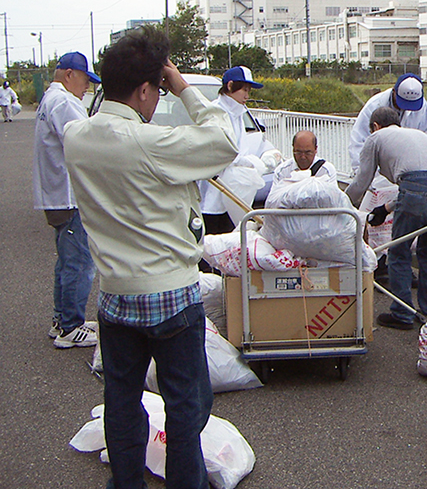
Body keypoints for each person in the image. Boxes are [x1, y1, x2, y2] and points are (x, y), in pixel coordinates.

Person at [63, 27, 239, 488]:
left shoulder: (75, 136)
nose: (156, 99)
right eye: (156, 90)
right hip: (172, 298)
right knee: (188, 406)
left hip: (115, 297)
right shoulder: (151, 143)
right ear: (146, 88)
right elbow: (224, 140)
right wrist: (182, 86)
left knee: (122, 400)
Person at [345, 106, 427, 330]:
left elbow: (362, 182)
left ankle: (402, 314)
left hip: (419, 194)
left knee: (398, 252)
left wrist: (343, 205)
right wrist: (386, 208)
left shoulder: (376, 138)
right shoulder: (417, 134)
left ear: (375, 127)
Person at [32, 51, 100, 348]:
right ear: (70, 74)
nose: (87, 87)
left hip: (55, 194)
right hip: (69, 195)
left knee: (66, 261)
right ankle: (70, 327)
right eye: (86, 79)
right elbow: (86, 145)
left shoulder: (50, 100)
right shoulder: (65, 103)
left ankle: (62, 319)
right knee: (80, 262)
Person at [198, 65, 279, 234]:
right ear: (230, 86)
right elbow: (222, 153)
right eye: (244, 90)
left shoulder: (238, 115)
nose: (247, 96)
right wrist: (252, 162)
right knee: (211, 240)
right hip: (213, 190)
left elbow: (241, 151)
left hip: (232, 192)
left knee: (230, 238)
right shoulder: (216, 113)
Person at [347, 73, 427, 173]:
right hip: (378, 169)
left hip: (409, 168)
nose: (406, 108)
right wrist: (361, 173)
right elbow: (358, 140)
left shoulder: (422, 106)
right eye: (403, 102)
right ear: (394, 91)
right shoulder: (374, 105)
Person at [272, 130, 337, 183]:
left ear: (315, 149)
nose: (303, 157)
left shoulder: (327, 171)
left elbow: (334, 197)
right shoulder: (281, 172)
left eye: (308, 152)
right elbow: (273, 198)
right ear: (293, 148)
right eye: (298, 152)